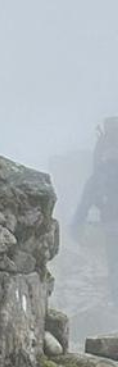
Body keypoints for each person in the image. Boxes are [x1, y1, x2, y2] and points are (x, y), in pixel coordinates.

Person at [71, 120, 118, 299]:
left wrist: (76, 227)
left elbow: (85, 203)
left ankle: (116, 303)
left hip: (111, 226)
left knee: (114, 264)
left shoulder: (99, 175)